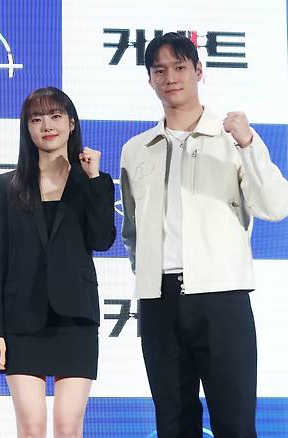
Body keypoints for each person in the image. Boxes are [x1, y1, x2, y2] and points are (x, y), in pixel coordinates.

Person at [120, 32, 288, 437]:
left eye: (179, 67)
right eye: (160, 70)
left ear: (198, 71)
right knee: (173, 426)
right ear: (150, 80)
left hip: (221, 300)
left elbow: (276, 206)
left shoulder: (234, 138)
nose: (170, 77)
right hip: (159, 302)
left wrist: (247, 144)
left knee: (234, 424)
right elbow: (132, 231)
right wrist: (147, 275)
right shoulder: (136, 149)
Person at [0, 87, 115, 438]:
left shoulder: (92, 181)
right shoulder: (9, 186)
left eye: (56, 116)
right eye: (37, 118)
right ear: (27, 128)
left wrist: (94, 181)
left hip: (76, 319)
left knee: (69, 426)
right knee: (31, 427)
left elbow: (103, 240)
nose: (47, 125)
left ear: (72, 124)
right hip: (22, 322)